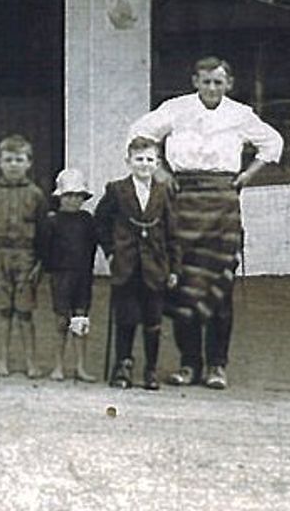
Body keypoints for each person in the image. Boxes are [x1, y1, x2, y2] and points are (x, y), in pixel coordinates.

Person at [129, 56, 282, 390]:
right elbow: (139, 133)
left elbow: (273, 142)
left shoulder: (240, 114)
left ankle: (217, 365)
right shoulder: (176, 108)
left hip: (222, 205)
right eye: (206, 81)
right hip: (182, 201)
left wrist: (246, 175)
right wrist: (160, 172)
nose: (212, 87)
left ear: (228, 84)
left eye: (218, 81)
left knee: (219, 286)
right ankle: (188, 364)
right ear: (195, 81)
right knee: (181, 282)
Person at [93, 136, 178, 391]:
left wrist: (174, 268)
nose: (144, 164)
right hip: (126, 265)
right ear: (128, 162)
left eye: (150, 160)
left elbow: (172, 232)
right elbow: (100, 222)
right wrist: (110, 251)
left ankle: (150, 370)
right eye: (139, 159)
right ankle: (123, 366)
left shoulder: (164, 191)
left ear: (158, 163)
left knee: (153, 320)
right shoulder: (117, 190)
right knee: (126, 317)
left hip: (155, 265)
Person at [0, 133, 46, 377]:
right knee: (4, 310)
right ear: (0, 162)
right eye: (8, 160)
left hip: (26, 256)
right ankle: (2, 360)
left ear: (28, 163)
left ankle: (31, 362)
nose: (13, 165)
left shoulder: (36, 194)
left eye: (19, 159)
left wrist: (40, 262)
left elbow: (43, 230)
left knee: (25, 311)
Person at [35, 167, 98, 382]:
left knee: (80, 320)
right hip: (61, 276)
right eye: (68, 195)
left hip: (82, 276)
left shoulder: (87, 220)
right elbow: (44, 249)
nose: (73, 200)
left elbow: (91, 247)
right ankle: (58, 365)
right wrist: (50, 270)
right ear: (60, 197)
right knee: (62, 320)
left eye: (78, 196)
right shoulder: (52, 221)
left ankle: (80, 366)